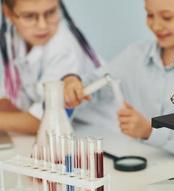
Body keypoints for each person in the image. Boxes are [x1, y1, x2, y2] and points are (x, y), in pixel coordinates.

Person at [64, 0, 174, 158]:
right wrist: (73, 82)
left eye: (167, 17)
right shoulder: (134, 56)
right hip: (140, 163)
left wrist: (149, 131)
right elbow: (97, 86)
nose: (156, 26)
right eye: (150, 15)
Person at [0, 0, 101, 134]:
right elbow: (8, 104)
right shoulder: (11, 39)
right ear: (7, 12)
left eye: (51, 12)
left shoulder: (64, 47)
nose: (42, 25)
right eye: (29, 16)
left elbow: (47, 121)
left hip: (101, 133)